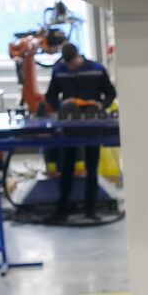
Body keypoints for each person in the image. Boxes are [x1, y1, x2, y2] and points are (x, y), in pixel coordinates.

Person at [44, 42, 115, 221]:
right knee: (67, 167)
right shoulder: (59, 70)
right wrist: (62, 106)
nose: (71, 67)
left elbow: (110, 93)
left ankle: (90, 210)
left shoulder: (97, 69)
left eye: (73, 63)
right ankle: (62, 210)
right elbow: (51, 95)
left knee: (92, 168)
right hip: (70, 127)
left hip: (93, 125)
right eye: (68, 64)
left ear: (79, 56)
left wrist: (101, 105)